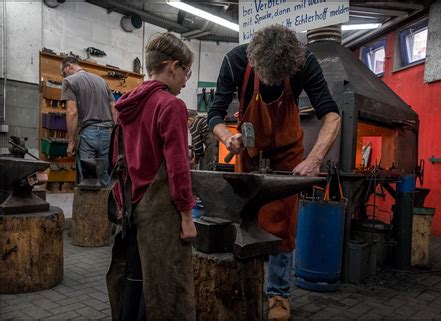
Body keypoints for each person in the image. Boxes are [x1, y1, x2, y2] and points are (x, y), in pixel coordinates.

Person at [208, 25, 341, 321]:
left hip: (287, 153)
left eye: (279, 78)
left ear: (292, 67)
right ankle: (247, 283)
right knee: (246, 217)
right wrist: (227, 138)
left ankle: (278, 293)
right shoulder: (235, 61)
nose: (272, 83)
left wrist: (315, 158)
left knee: (281, 224)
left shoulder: (305, 62)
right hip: (249, 151)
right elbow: (214, 114)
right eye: (267, 76)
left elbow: (331, 115)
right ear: (253, 60)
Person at [106, 32, 197, 321]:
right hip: (159, 212)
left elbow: (117, 161)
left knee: (135, 276)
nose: (186, 80)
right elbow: (178, 168)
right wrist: (186, 215)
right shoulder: (170, 105)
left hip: (130, 210)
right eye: (186, 72)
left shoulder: (127, 104)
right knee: (166, 287)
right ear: (173, 67)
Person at [60, 56, 116, 186]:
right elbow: (114, 109)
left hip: (88, 134)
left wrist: (71, 142)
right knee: (105, 177)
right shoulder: (102, 81)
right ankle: (105, 206)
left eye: (63, 72)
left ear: (69, 66)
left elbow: (72, 112)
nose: (63, 75)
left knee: (88, 180)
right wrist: (116, 134)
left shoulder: (69, 81)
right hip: (107, 133)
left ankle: (90, 206)